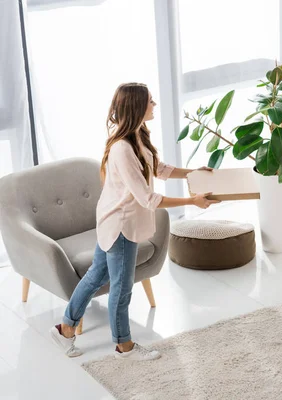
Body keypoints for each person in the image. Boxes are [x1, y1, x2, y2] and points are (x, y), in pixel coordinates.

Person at [49, 83, 219, 361]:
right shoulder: (122, 150)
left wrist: (193, 172)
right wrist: (192, 201)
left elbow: (159, 170)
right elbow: (148, 198)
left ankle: (65, 328)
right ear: (138, 107)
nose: (155, 105)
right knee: (121, 287)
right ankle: (123, 346)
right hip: (121, 226)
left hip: (115, 221)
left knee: (95, 277)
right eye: (151, 101)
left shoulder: (138, 135)